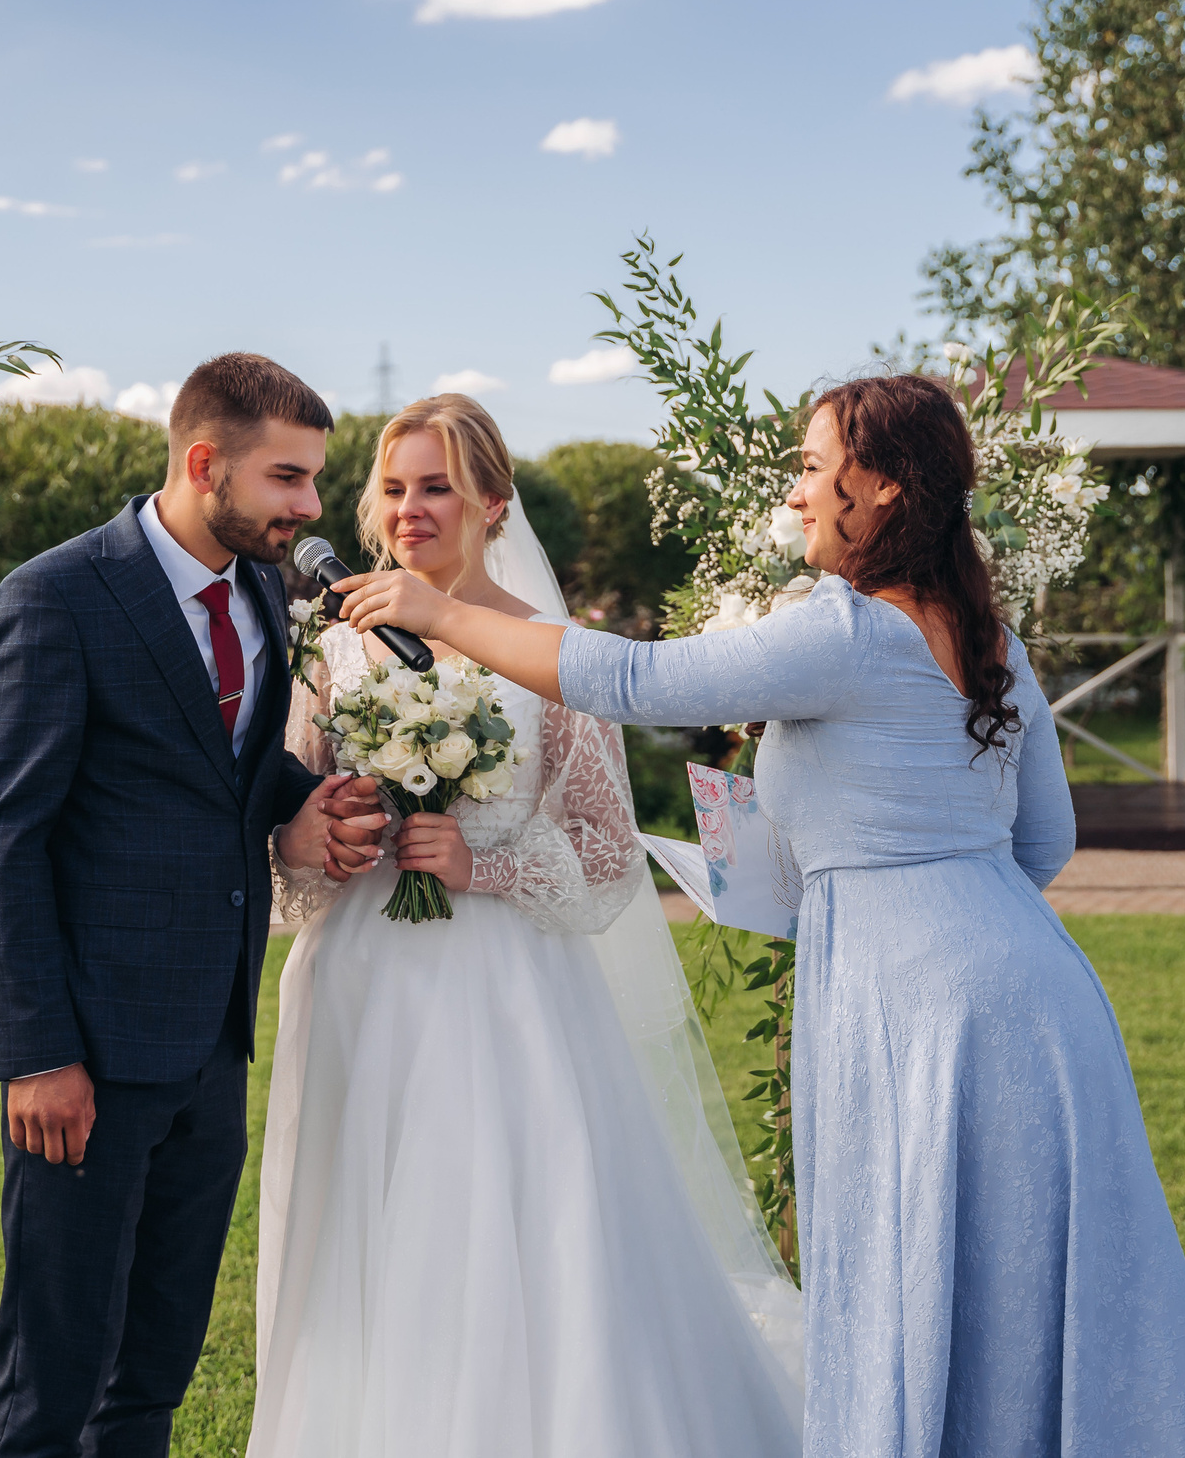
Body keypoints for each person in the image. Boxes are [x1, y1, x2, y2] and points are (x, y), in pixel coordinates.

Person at [339, 373, 1185, 1458]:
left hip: (912, 1008)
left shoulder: (849, 633)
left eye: (816, 468)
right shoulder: (988, 635)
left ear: (888, 491)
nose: (798, 490)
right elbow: (1043, 841)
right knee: (1036, 1295)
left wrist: (443, 613)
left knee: (905, 1267)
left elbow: (631, 679)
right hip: (1039, 992)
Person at [251, 394, 801, 1458]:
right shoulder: (334, 650)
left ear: (492, 504)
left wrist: (481, 863)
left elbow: (605, 854)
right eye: (397, 488)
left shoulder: (552, 655)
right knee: (365, 1240)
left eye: (438, 487)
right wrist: (327, 835)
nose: (410, 511)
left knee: (503, 1234)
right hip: (358, 986)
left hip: (502, 998)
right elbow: (287, 824)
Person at [0, 353, 376, 1458]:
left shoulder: (257, 590)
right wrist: (38, 1052)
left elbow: (227, 765)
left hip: (212, 1045)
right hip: (87, 1058)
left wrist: (305, 797)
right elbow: (3, 839)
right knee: (51, 1386)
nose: (311, 506)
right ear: (206, 464)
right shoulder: (55, 596)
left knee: (149, 1380)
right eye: (288, 479)